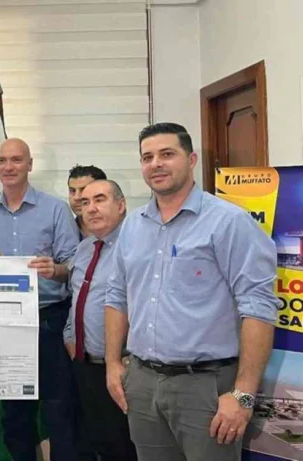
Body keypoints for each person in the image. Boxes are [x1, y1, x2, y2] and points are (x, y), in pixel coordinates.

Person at [105, 123, 280, 461]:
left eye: (167, 154)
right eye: (147, 157)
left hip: (206, 387)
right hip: (142, 383)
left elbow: (258, 307)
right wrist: (112, 364)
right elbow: (116, 296)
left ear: (192, 159)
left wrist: (243, 396)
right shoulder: (133, 225)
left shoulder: (229, 222)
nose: (156, 163)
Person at [0, 138, 79, 461]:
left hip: (49, 320)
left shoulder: (55, 209)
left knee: (59, 410)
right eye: (3, 160)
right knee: (15, 414)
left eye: (17, 160)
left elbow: (74, 266)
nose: (9, 167)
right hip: (5, 324)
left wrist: (55, 270)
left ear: (30, 164)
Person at [63, 179, 136, 461]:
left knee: (126, 446)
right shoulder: (84, 249)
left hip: (124, 367)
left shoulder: (135, 247)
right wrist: (70, 336)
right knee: (98, 443)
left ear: (121, 205)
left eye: (100, 200)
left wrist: (128, 356)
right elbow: (75, 298)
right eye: (85, 203)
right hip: (85, 365)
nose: (91, 209)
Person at [67, 165, 107, 239]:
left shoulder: (124, 230)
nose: (76, 197)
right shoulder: (63, 231)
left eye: (84, 190)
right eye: (72, 191)